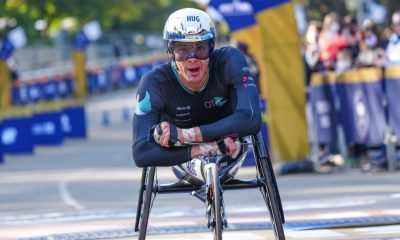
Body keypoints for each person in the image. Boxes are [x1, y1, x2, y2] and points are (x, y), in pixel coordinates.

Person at [132, 8, 261, 183]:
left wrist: (187, 134)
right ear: (171, 52)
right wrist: (203, 148)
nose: (192, 58)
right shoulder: (154, 82)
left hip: (230, 147)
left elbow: (252, 118)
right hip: (183, 155)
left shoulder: (229, 60)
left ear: (212, 47)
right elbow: (141, 152)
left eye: (200, 48)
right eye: (182, 49)